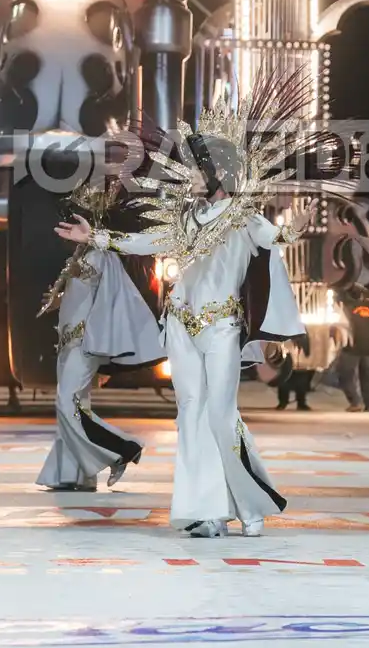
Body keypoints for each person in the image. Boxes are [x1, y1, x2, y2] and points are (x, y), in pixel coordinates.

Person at [55, 69, 316, 538]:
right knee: (191, 413)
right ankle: (206, 511)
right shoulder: (184, 218)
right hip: (180, 325)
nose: (190, 174)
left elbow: (276, 237)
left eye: (199, 167)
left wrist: (295, 226)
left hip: (221, 329)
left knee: (220, 413)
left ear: (219, 171)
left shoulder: (243, 216)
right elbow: (147, 240)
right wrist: (96, 236)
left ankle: (248, 502)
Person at [37, 179, 163, 491]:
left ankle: (122, 449)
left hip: (85, 342)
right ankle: (76, 473)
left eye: (78, 216)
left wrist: (75, 276)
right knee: (76, 405)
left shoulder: (99, 255)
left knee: (68, 403)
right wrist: (58, 299)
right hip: (68, 340)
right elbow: (79, 291)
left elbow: (98, 286)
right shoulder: (80, 255)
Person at [335, 284, 369, 413]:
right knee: (368, 379)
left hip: (351, 347)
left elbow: (340, 328)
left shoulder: (344, 308)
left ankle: (356, 402)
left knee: (345, 376)